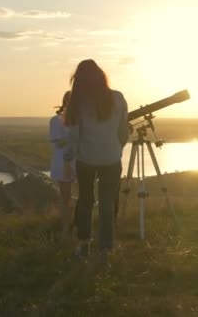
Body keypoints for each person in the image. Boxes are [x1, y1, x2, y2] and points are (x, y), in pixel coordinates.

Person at [64, 59, 129, 259]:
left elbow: (73, 136)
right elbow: (123, 131)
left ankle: (84, 245)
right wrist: (116, 148)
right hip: (111, 159)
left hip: (86, 160)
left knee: (85, 202)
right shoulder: (118, 98)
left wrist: (69, 159)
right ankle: (106, 248)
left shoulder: (77, 102)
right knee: (107, 204)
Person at [49, 90, 75, 241]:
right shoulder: (56, 120)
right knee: (66, 198)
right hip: (63, 162)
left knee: (84, 197)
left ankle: (78, 226)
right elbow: (58, 143)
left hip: (80, 162)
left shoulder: (81, 119)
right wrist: (75, 137)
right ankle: (65, 229)